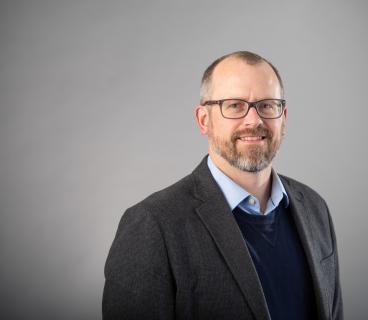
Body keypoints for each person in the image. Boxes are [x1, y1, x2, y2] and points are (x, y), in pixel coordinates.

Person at [103, 51, 343, 320]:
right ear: (204, 120)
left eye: (267, 105)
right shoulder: (153, 225)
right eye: (235, 106)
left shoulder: (314, 208)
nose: (254, 121)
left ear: (283, 117)